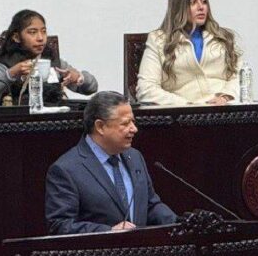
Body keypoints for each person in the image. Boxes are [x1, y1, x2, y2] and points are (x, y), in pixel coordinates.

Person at [46, 91, 176, 234]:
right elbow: (60, 225)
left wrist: (178, 223)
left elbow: (150, 205)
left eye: (133, 121)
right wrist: (108, 231)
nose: (134, 129)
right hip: (98, 253)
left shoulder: (134, 156)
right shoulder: (66, 169)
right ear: (100, 126)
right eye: (125, 123)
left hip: (139, 251)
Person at [137, 0, 244, 105]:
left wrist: (225, 97)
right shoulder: (159, 40)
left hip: (223, 111)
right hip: (183, 115)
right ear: (178, 8)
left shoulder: (224, 37)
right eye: (192, 2)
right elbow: (146, 89)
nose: (201, 7)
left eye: (204, 1)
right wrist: (187, 105)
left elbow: (239, 77)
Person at [0, 9, 97, 106]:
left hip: (56, 121)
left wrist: (79, 78)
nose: (40, 38)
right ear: (17, 37)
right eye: (32, 32)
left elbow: (92, 88)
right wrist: (12, 73)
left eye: (43, 32)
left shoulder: (52, 61)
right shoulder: (6, 62)